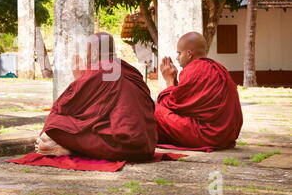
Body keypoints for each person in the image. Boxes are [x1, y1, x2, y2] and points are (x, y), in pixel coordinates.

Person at [35, 32, 157, 161]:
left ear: (93, 53)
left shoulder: (101, 69)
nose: (85, 56)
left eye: (86, 51)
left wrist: (80, 78)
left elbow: (65, 107)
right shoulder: (128, 69)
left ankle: (71, 149)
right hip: (147, 146)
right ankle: (70, 147)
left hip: (124, 146)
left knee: (54, 124)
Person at [155, 32, 243, 149]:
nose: (177, 58)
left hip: (207, 135)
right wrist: (175, 81)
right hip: (227, 135)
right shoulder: (220, 68)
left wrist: (169, 81)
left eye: (179, 53)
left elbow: (172, 104)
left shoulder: (194, 69)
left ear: (189, 53)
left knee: (152, 108)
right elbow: (188, 104)